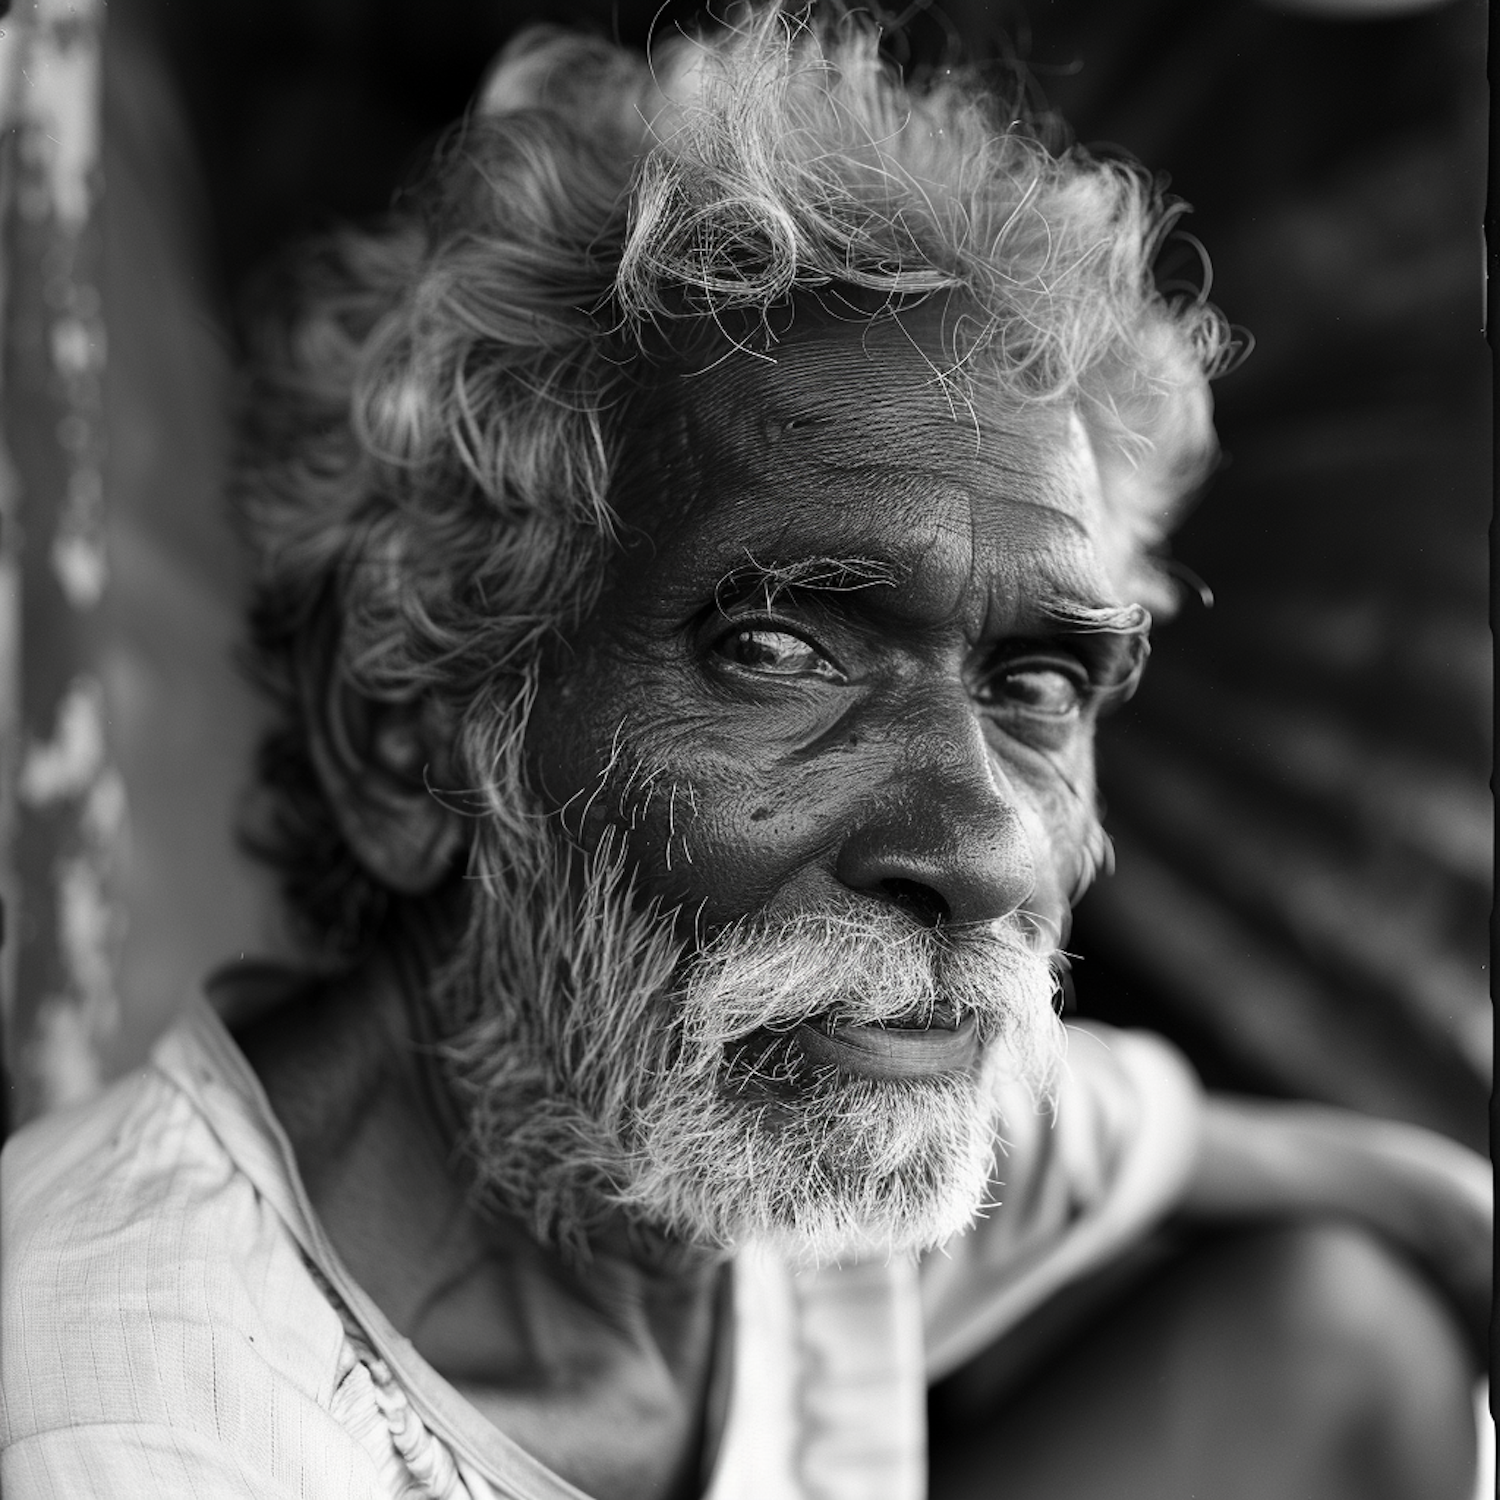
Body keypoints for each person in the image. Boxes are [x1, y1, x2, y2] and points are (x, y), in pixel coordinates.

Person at [1, 8, 1489, 1498]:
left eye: (1037, 679)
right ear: (411, 734)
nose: (984, 853)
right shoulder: (153, 1432)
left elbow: (1128, 1141)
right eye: (778, 651)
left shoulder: (732, 1097)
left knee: (1349, 1334)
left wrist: (1438, 1200)